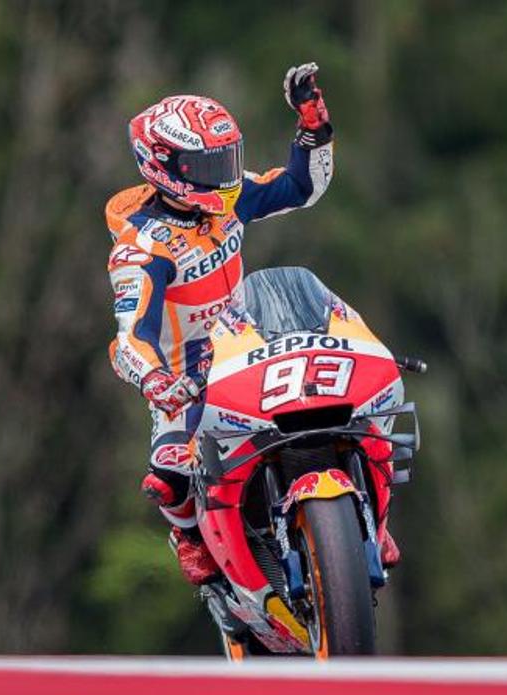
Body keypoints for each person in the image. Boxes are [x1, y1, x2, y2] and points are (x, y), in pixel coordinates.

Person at [104, 63, 397, 584]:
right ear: (164, 166)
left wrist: (313, 128)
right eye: (207, 164)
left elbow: (302, 187)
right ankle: (192, 539)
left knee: (351, 409)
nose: (224, 174)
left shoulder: (230, 198)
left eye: (227, 158)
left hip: (251, 337)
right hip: (186, 377)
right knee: (170, 473)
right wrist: (156, 380)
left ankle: (373, 518)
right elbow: (130, 337)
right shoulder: (140, 250)